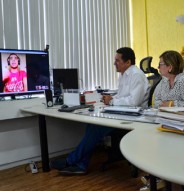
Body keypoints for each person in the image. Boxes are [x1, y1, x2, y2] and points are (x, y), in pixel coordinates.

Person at [50, 47, 149, 175]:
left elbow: (133, 101)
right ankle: (81, 165)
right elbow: (121, 96)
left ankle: (71, 161)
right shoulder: (124, 76)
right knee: (92, 124)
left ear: (128, 62)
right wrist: (110, 98)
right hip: (123, 113)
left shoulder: (136, 75)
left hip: (135, 118)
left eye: (117, 60)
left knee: (96, 128)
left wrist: (112, 101)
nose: (114, 63)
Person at [140, 50, 184, 191]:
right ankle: (158, 175)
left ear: (170, 67)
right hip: (167, 120)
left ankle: (162, 177)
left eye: (161, 64)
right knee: (151, 138)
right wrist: (167, 104)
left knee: (163, 142)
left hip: (183, 124)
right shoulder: (163, 82)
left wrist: (171, 104)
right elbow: (157, 101)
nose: (158, 68)